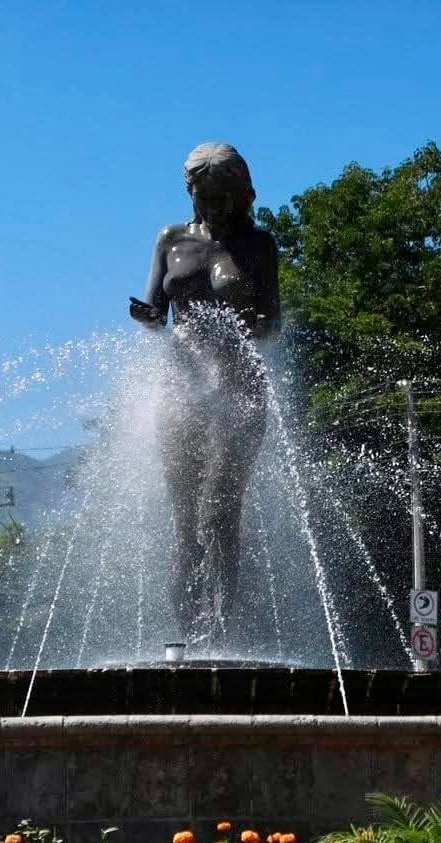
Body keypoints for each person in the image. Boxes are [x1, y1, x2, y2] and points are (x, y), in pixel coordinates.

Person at [130, 143, 280, 644]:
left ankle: (224, 631)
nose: (211, 207)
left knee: (220, 512)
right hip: (181, 390)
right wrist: (150, 317)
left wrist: (254, 319)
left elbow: (271, 325)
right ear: (190, 192)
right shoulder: (170, 239)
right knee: (186, 523)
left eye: (221, 198)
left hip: (237, 390)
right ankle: (186, 631)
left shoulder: (258, 246)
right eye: (202, 196)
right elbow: (157, 312)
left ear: (240, 196)